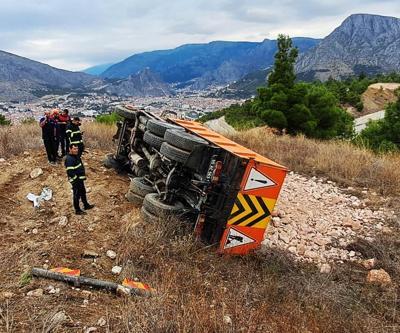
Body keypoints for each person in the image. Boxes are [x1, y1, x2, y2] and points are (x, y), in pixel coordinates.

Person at [65, 144, 94, 215]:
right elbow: (70, 172)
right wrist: (76, 179)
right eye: (74, 149)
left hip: (79, 179)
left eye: (77, 148)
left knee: (83, 192)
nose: (76, 150)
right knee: (77, 195)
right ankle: (77, 210)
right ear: (70, 149)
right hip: (76, 180)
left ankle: (86, 205)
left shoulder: (76, 156)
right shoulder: (69, 159)